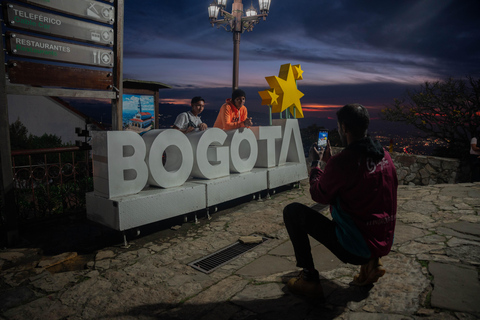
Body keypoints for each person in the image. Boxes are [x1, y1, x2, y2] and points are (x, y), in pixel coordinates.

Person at [283, 103, 398, 298]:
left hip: (355, 248)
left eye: (338, 126)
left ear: (344, 128)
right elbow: (358, 179)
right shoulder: (384, 156)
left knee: (292, 211)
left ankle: (309, 279)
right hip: (383, 242)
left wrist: (315, 164)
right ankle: (372, 262)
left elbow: (319, 194)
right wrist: (331, 162)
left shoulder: (344, 161)